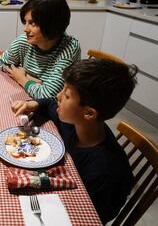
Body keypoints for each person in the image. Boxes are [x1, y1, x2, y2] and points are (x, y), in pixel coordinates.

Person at [11, 59, 138, 224]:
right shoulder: (78, 122)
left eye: (67, 95)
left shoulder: (103, 172)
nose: (58, 96)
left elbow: (90, 218)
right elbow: (49, 103)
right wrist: (33, 104)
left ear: (89, 113)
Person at [0, 0, 81, 99]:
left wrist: (22, 78)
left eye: (32, 23)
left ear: (51, 25)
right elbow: (4, 61)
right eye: (25, 22)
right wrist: (30, 79)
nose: (26, 29)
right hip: (29, 99)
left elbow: (48, 95)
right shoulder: (24, 41)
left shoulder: (69, 49)